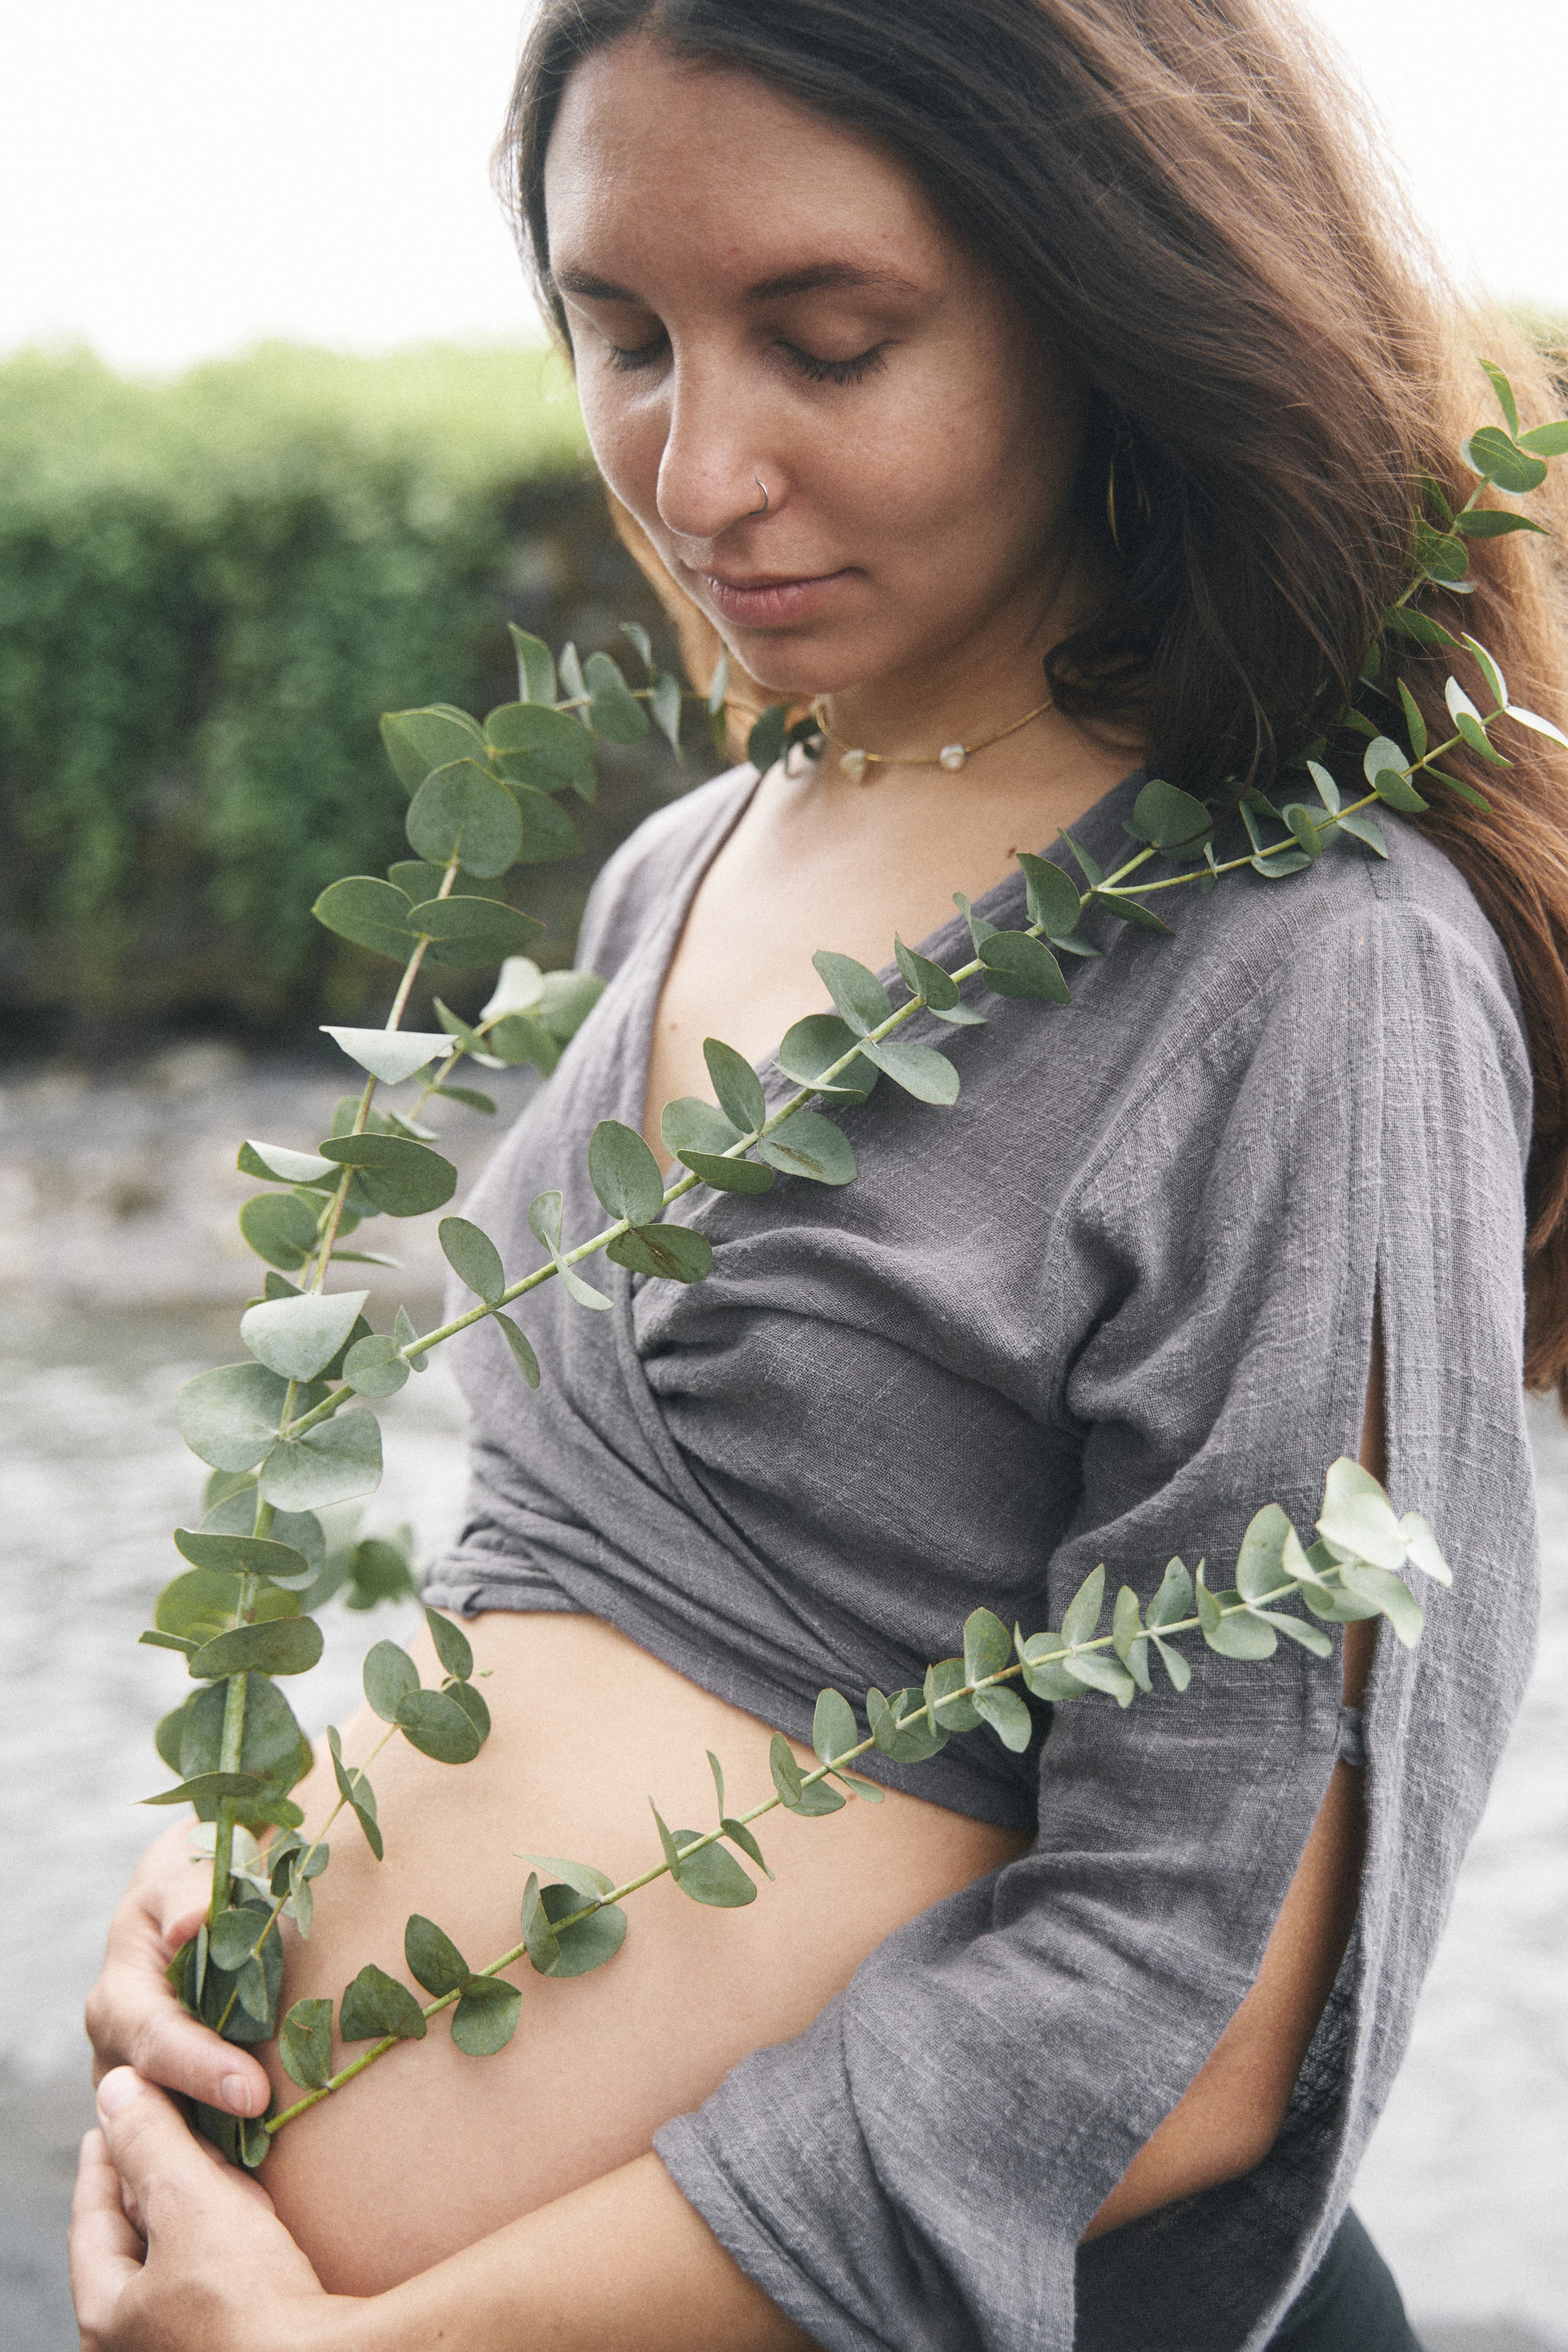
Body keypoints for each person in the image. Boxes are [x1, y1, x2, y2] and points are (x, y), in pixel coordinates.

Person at [71, 2, 1568, 2346]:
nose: (697, 472)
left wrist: (369, 2348)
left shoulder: (1310, 973)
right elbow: (557, 1585)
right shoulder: (677, 865)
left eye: (831, 343)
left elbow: (1198, 2008)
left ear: (1109, 315)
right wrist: (251, 1867)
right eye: (622, 335)